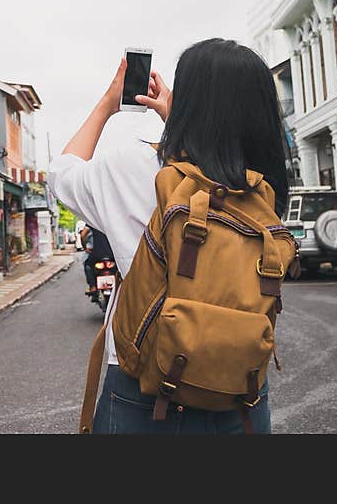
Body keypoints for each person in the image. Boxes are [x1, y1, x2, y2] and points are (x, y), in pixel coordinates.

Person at [48, 38, 288, 434]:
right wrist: (180, 119)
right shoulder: (264, 185)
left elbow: (61, 175)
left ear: (189, 104)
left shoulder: (133, 168)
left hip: (146, 388)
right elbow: (211, 159)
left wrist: (109, 103)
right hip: (241, 388)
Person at [81, 225, 116, 296]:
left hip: (96, 254)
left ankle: (93, 286)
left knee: (87, 265)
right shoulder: (112, 220)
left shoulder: (91, 220)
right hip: (113, 254)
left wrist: (85, 247)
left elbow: (83, 234)